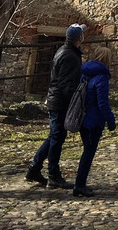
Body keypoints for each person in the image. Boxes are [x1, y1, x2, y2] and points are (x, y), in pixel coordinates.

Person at [25, 23, 84, 189]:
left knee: (55, 136)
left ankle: (34, 168)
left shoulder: (65, 51)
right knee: (57, 137)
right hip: (59, 102)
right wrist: (75, 103)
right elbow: (66, 84)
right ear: (79, 38)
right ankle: (53, 175)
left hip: (56, 99)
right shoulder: (69, 56)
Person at [73, 43, 116, 198]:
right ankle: (79, 184)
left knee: (87, 150)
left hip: (83, 116)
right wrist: (111, 120)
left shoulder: (85, 73)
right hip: (93, 119)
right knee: (89, 152)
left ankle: (80, 183)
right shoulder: (101, 78)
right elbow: (102, 102)